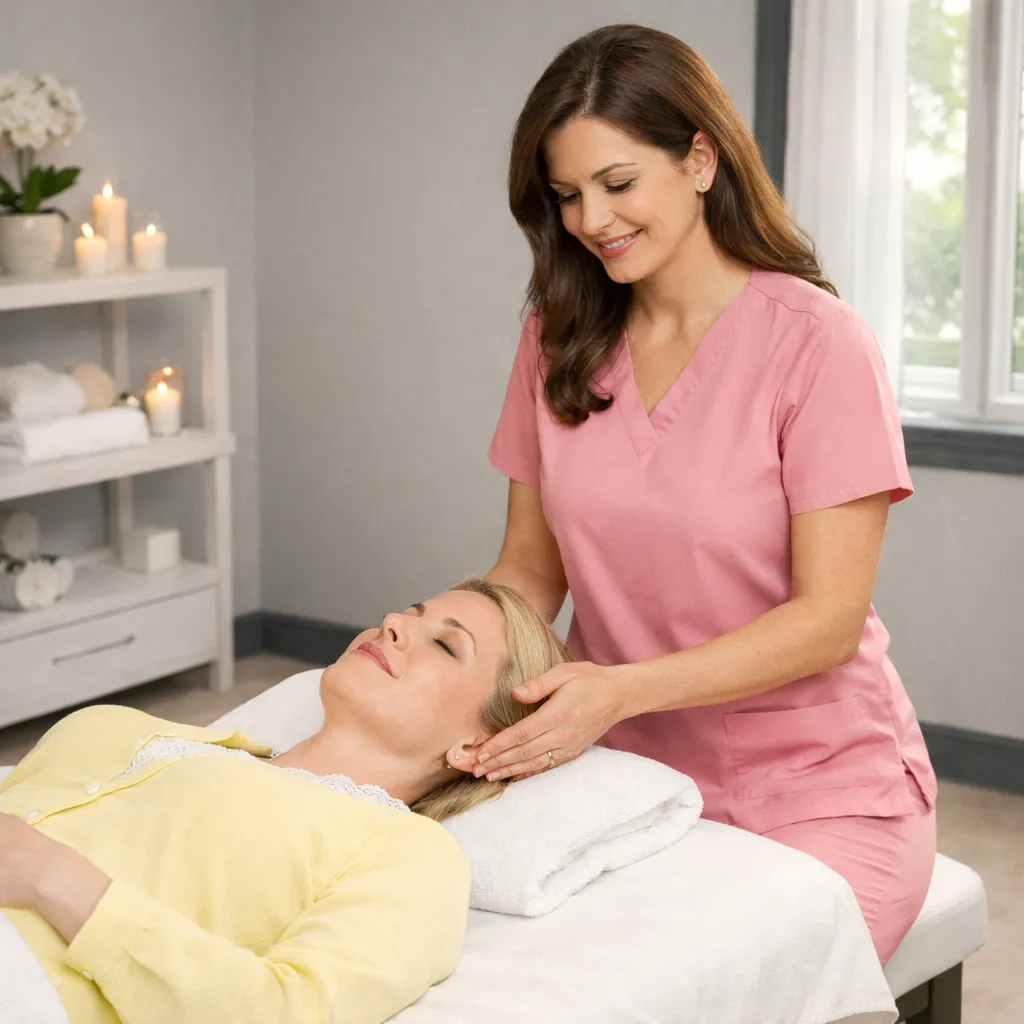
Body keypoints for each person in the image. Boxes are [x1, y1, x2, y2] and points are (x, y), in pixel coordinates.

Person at [473, 24, 937, 965]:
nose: (590, 221)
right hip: (620, 775)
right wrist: (440, 654)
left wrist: (618, 693)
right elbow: (528, 571)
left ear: (698, 158)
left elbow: (827, 622)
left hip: (819, 788)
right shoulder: (558, 339)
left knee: (721, 986)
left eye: (616, 184)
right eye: (566, 196)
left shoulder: (816, 343)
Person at [0, 578, 569, 1024]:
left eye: (445, 645)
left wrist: (55, 879)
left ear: (478, 744)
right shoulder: (158, 736)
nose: (393, 623)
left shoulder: (408, 854)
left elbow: (286, 1011)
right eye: (409, 613)